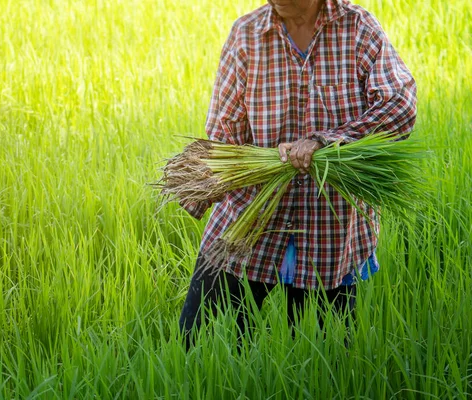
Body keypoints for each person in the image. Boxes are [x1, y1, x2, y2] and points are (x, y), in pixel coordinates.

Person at [178, 0, 417, 349]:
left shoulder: (356, 28)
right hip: (250, 223)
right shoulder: (247, 35)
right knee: (197, 344)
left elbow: (400, 104)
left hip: (331, 233)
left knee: (320, 362)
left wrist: (328, 142)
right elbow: (223, 135)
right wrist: (202, 183)